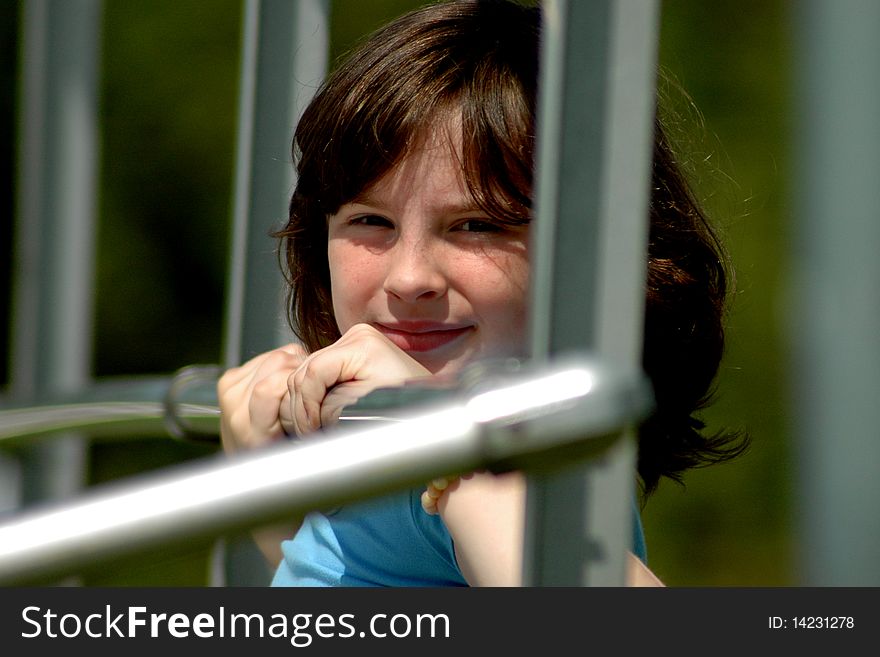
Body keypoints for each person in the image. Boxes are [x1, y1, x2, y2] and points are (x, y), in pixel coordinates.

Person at [218, 0, 746, 587]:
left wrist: (435, 433)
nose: (410, 278)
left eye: (477, 225)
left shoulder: (520, 464)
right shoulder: (418, 474)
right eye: (370, 221)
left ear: (587, 251)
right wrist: (271, 480)